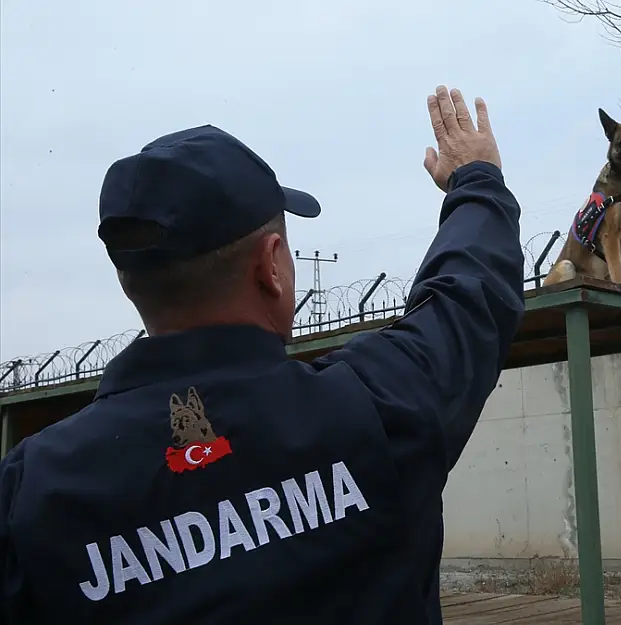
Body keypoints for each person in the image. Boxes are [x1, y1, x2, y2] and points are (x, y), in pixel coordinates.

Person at [0, 85, 525, 624]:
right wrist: (477, 180)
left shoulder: (32, 491)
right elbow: (469, 298)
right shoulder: (374, 410)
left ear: (130, 284)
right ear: (271, 266)